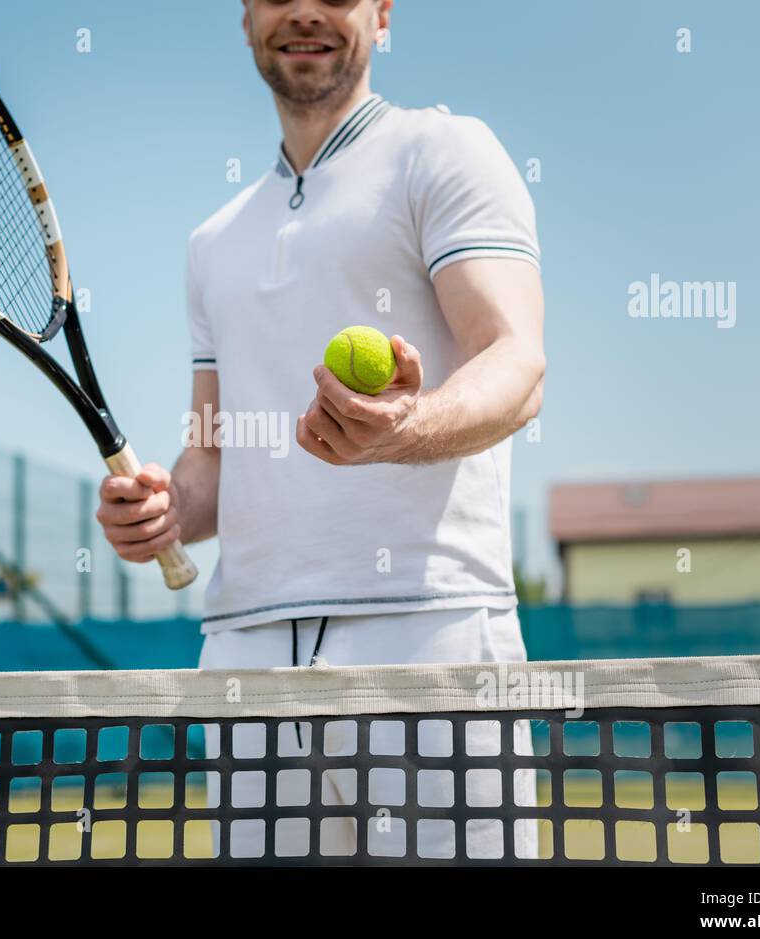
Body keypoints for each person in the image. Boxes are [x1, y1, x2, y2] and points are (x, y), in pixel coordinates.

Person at [96, 0, 545, 862]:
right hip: (246, 655)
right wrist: (166, 510)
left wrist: (404, 429)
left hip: (429, 631)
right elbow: (212, 455)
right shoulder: (212, 239)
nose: (304, 11)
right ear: (245, 18)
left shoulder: (445, 152)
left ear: (381, 15)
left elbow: (516, 365)